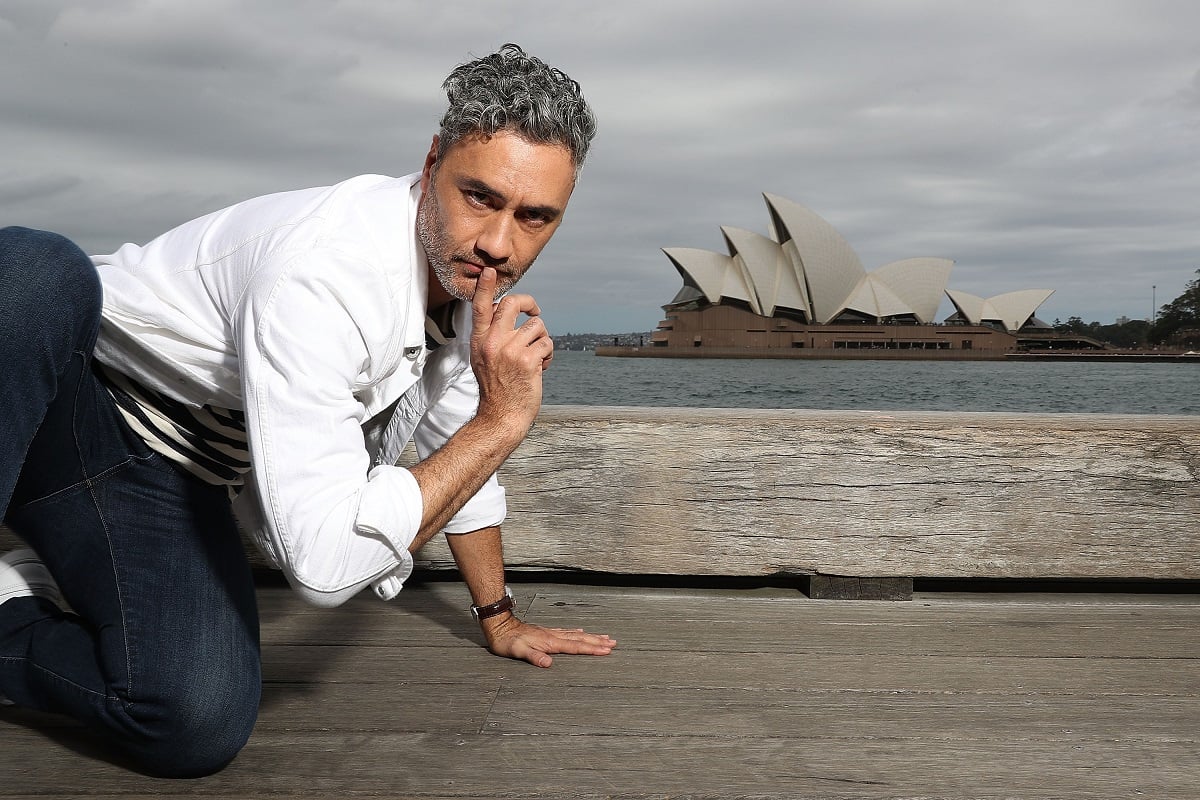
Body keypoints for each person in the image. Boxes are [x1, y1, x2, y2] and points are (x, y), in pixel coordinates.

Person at [0, 43, 615, 778]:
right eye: (480, 196)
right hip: (58, 393)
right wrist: (505, 419)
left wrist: (499, 615)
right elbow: (325, 570)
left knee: (194, 719)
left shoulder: (460, 305)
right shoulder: (323, 268)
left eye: (535, 216)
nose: (498, 244)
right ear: (430, 164)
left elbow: (462, 458)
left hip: (161, 482)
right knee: (36, 272)